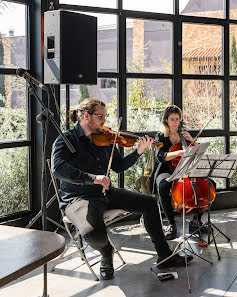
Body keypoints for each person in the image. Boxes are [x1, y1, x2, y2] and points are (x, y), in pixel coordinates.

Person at [51, 99, 192, 281]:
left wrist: (138, 151)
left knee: (149, 203)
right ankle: (106, 251)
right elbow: (58, 168)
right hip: (77, 197)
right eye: (100, 116)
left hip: (105, 193)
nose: (104, 121)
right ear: (86, 116)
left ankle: (164, 255)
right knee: (93, 234)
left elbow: (119, 166)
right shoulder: (66, 140)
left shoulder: (105, 138)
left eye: (105, 116)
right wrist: (93, 178)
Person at [150, 105, 215, 240]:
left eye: (177, 119)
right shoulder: (160, 136)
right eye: (172, 119)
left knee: (210, 184)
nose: (175, 122)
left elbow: (199, 151)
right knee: (163, 186)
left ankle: (196, 220)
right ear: (166, 120)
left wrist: (192, 140)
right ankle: (172, 224)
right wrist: (180, 152)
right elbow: (161, 156)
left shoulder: (184, 135)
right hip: (166, 170)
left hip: (186, 169)